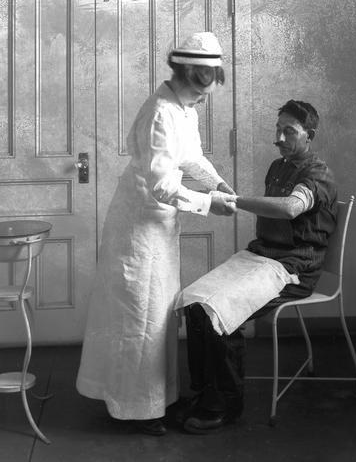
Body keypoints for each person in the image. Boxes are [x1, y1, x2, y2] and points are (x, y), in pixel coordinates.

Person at [75, 32, 237, 437]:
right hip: (138, 229)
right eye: (202, 91)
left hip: (159, 228)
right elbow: (163, 184)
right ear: (188, 76)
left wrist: (218, 182)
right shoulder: (160, 113)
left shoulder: (185, 108)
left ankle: (155, 400)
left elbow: (192, 157)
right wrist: (207, 203)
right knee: (136, 316)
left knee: (157, 316)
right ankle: (135, 410)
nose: (203, 100)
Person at [176, 100, 338, 434]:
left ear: (310, 135)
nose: (279, 137)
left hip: (293, 268)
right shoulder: (277, 168)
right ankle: (205, 393)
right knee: (193, 304)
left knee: (216, 313)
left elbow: (292, 208)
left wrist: (234, 201)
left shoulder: (317, 173)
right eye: (278, 130)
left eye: (289, 131)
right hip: (262, 256)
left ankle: (224, 406)